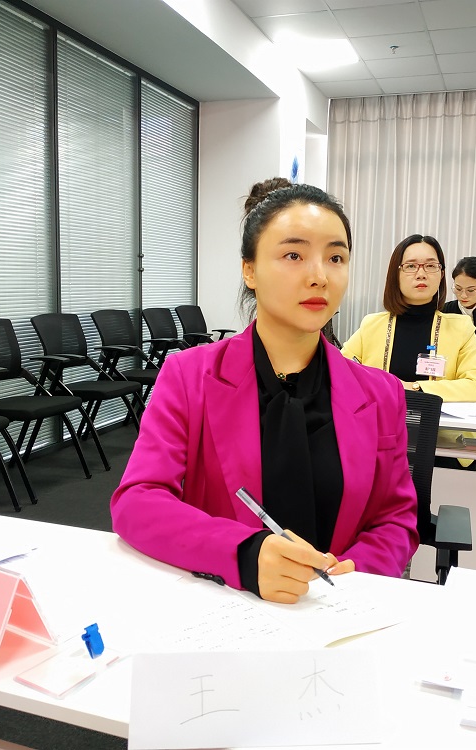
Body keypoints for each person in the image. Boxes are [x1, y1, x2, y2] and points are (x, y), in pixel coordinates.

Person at [111, 178, 419, 605]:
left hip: (335, 611)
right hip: (223, 606)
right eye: (294, 255)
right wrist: (243, 553)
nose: (319, 277)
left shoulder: (381, 394)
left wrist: (358, 570)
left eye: (336, 257)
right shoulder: (189, 375)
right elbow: (138, 501)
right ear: (250, 270)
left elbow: (395, 519)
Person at [341, 235, 476, 403]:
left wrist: (413, 388)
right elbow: (339, 372)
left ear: (441, 274)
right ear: (396, 274)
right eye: (411, 266)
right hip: (379, 419)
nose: (421, 274)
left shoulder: (461, 328)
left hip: (437, 420)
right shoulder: (372, 325)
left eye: (430, 266)